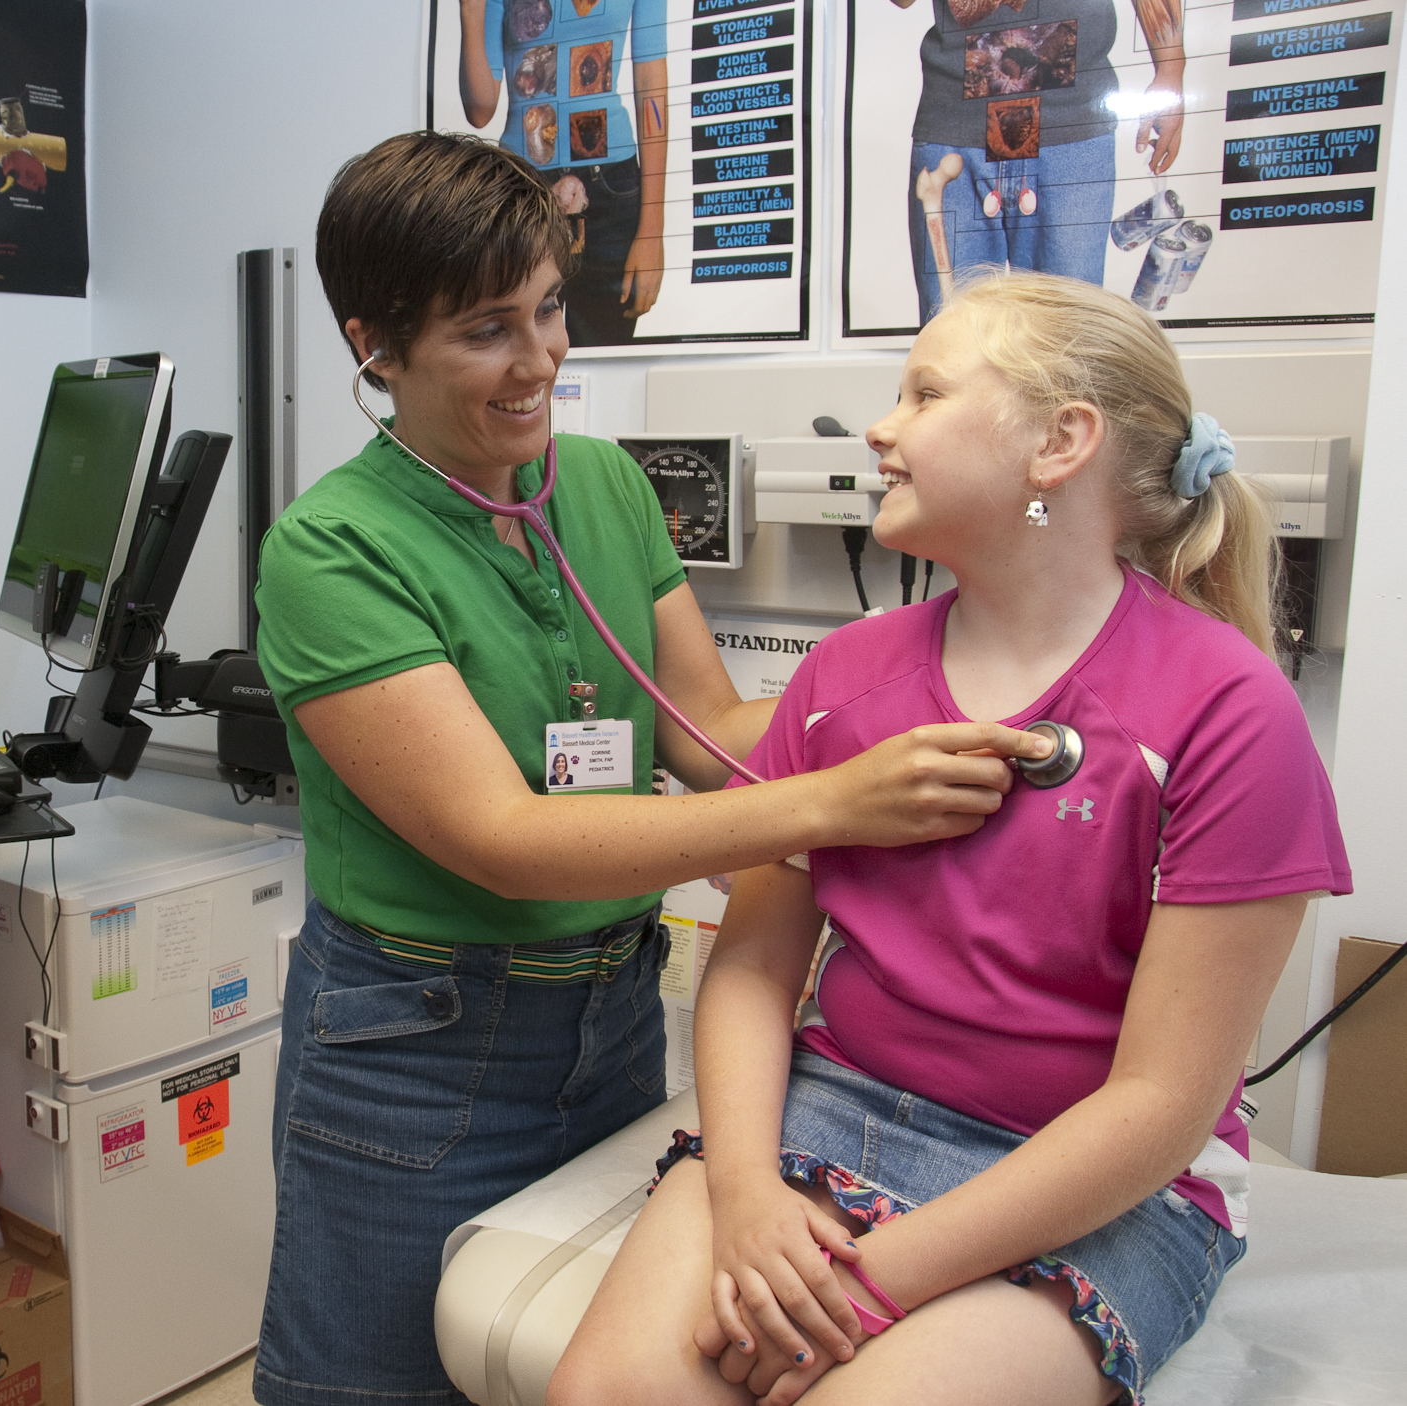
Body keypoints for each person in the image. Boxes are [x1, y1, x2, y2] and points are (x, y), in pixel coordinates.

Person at [249, 131, 1052, 1406]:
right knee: (374, 1386)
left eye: (552, 308)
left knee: (547, 1357)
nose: (543, 359)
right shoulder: (331, 552)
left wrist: (931, 695)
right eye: (486, 330)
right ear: (376, 346)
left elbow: (709, 726)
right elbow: (503, 835)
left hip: (614, 1017)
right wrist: (837, 800)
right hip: (421, 1043)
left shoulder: (607, 486)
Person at [550, 271, 1351, 1406]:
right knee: (608, 1392)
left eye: (925, 393)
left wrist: (871, 1283)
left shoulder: (1227, 710)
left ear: (1059, 443)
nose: (881, 426)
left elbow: (1162, 1104)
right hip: (835, 1108)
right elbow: (756, 965)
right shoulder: (841, 678)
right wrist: (745, 1192)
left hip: (1095, 1173)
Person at [895, 0, 1185, 324]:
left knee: (1067, 342)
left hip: (1071, 127)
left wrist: (1171, 69)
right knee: (952, 346)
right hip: (956, 127)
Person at [459, 0, 668, 345]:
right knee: (522, 359)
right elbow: (480, 111)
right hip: (522, 187)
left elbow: (652, 87)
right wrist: (470, 11)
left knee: (605, 358)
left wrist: (652, 232)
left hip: (611, 190)